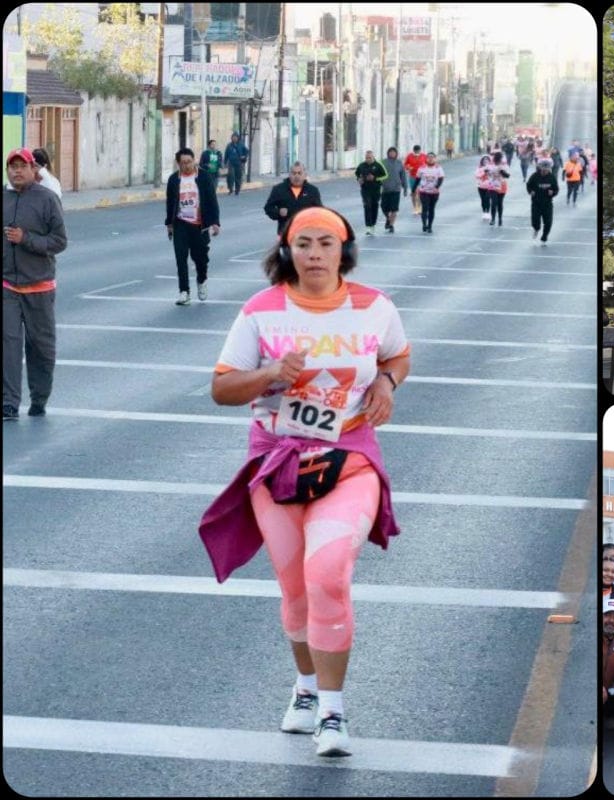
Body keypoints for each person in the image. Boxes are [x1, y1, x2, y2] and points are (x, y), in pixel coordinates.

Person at [199, 206, 410, 758]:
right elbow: (222, 389)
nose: (314, 253)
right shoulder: (260, 312)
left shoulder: (374, 306)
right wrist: (270, 374)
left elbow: (398, 356)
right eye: (304, 243)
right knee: (295, 589)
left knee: (328, 574)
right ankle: (306, 688)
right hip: (278, 464)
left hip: (349, 458)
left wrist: (386, 383)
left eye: (325, 243)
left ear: (344, 250)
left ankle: (334, 714)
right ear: (287, 249)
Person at [3, 148, 68, 421]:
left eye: (22, 166)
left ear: (33, 170)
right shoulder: (3, 199)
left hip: (39, 286)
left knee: (40, 347)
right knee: (8, 344)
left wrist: (26, 238)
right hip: (7, 286)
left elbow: (59, 241)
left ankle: (39, 397)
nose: (17, 171)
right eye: (12, 167)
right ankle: (8, 403)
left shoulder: (48, 199)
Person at [165, 147, 220, 306]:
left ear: (194, 160)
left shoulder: (203, 177)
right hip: (181, 223)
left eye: (189, 162)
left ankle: (201, 280)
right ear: (178, 164)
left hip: (199, 225)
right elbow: (170, 203)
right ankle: (184, 292)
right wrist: (169, 223)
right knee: (180, 258)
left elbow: (211, 200)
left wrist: (215, 222)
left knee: (200, 258)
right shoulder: (174, 180)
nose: (187, 165)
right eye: (183, 163)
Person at [264, 162, 323, 236]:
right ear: (289, 175)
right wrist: (278, 212)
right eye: (294, 173)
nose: (296, 176)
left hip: (306, 235)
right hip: (286, 234)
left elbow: (320, 211)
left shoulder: (312, 190)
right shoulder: (279, 189)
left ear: (305, 175)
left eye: (299, 173)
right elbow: (268, 208)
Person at [527, 157, 558, 246]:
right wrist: (530, 191)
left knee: (548, 222)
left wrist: (553, 192)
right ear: (540, 168)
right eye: (543, 169)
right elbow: (528, 185)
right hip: (536, 202)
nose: (544, 171)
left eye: (546, 170)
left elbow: (556, 189)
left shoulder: (552, 177)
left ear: (549, 169)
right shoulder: (534, 176)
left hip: (547, 203)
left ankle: (544, 236)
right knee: (535, 220)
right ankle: (536, 229)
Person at [354, 151, 387, 236]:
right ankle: (368, 226)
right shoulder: (362, 165)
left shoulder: (378, 165)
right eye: (366, 158)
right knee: (367, 206)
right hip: (365, 189)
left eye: (369, 158)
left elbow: (385, 175)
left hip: (376, 189)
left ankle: (373, 225)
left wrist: (375, 178)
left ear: (373, 157)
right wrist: (359, 179)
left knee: (374, 206)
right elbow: (357, 174)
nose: (368, 159)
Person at [415, 153, 445, 234]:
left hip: (434, 192)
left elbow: (441, 178)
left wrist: (437, 187)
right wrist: (414, 189)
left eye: (432, 157)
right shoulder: (422, 168)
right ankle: (424, 224)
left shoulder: (438, 168)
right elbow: (417, 179)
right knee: (425, 208)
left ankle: (430, 226)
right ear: (426, 159)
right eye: (429, 157)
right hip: (424, 191)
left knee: (431, 209)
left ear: (435, 159)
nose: (430, 159)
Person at [380, 147, 405, 233]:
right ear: (388, 153)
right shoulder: (383, 162)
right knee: (384, 207)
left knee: (394, 209)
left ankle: (391, 225)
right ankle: (388, 218)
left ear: (396, 154)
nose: (392, 154)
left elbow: (403, 176)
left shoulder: (399, 163)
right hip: (385, 189)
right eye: (390, 152)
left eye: (394, 152)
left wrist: (405, 187)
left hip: (396, 189)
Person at [486, 152, 510, 226]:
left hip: (502, 185)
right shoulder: (490, 166)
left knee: (500, 203)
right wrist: (488, 172)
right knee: (494, 203)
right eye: (496, 158)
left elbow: (507, 176)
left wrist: (502, 171)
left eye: (499, 158)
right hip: (493, 186)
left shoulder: (504, 166)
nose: (498, 160)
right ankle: (493, 219)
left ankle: (500, 219)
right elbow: (486, 173)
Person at [403, 146, 426, 215]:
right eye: (415, 151)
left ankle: (419, 207)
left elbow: (428, 164)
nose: (417, 153)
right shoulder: (409, 156)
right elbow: (405, 164)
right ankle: (415, 207)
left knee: (419, 192)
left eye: (418, 151)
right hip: (412, 176)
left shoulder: (424, 156)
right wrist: (408, 167)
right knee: (413, 193)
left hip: (422, 177)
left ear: (420, 150)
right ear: (413, 151)